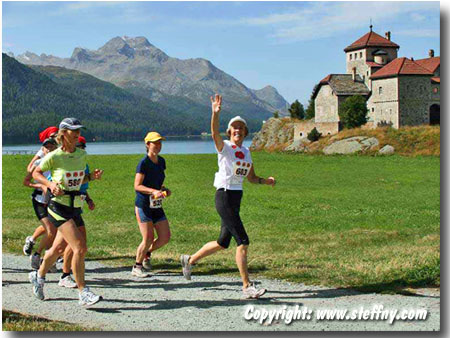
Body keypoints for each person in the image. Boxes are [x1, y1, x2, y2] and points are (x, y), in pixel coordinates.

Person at [180, 94, 276, 299]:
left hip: (236, 197)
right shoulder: (224, 147)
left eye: (241, 128)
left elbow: (250, 178)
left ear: (245, 132)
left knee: (223, 242)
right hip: (223, 196)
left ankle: (189, 260)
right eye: (235, 128)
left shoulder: (247, 152)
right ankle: (247, 286)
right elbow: (214, 132)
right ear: (230, 131)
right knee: (243, 241)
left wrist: (265, 181)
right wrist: (214, 114)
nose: (238, 130)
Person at [29, 117, 104, 306]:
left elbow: (78, 180)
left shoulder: (80, 155)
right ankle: (83, 292)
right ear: (63, 134)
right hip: (58, 206)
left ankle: (38, 276)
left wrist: (91, 177)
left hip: (75, 206)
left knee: (58, 248)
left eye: (79, 129)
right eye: (73, 130)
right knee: (79, 247)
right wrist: (50, 184)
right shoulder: (54, 156)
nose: (78, 133)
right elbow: (35, 173)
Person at [132, 132, 171, 277]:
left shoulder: (161, 161)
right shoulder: (144, 163)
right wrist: (154, 191)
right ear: (147, 144)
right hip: (143, 205)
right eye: (155, 143)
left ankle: (146, 253)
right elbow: (137, 186)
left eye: (160, 143)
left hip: (156, 205)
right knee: (147, 238)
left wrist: (163, 190)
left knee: (165, 237)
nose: (158, 146)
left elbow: (157, 182)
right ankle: (137, 266)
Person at [58, 136, 96, 288]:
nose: (81, 149)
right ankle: (62, 276)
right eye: (79, 146)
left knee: (74, 244)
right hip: (64, 207)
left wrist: (88, 200)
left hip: (76, 205)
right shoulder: (65, 162)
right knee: (65, 246)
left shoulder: (83, 164)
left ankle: (63, 275)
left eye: (83, 147)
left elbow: (81, 186)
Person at [23, 138, 58, 270]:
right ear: (43, 149)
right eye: (46, 147)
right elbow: (26, 181)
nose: (48, 150)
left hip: (53, 200)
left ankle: (48, 260)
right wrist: (40, 185)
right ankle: (37, 255)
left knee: (54, 231)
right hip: (39, 201)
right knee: (50, 230)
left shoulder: (58, 163)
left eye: (51, 147)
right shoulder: (38, 163)